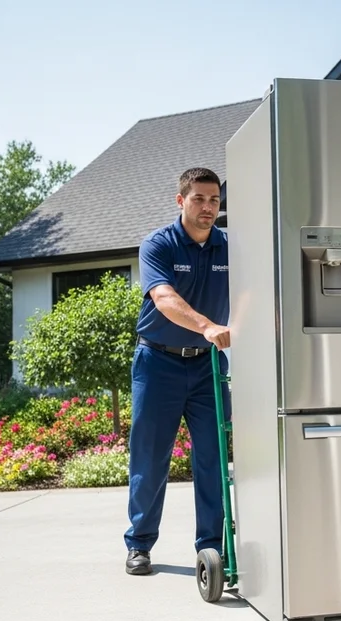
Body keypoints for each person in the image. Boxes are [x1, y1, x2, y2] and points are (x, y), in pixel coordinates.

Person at [124, 167, 231, 576]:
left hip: (207, 366)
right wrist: (207, 326)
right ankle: (139, 543)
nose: (208, 207)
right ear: (180, 200)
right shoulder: (159, 244)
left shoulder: (231, 246)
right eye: (199, 199)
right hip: (158, 363)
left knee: (213, 458)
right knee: (150, 458)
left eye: (214, 200)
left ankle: (212, 547)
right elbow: (164, 297)